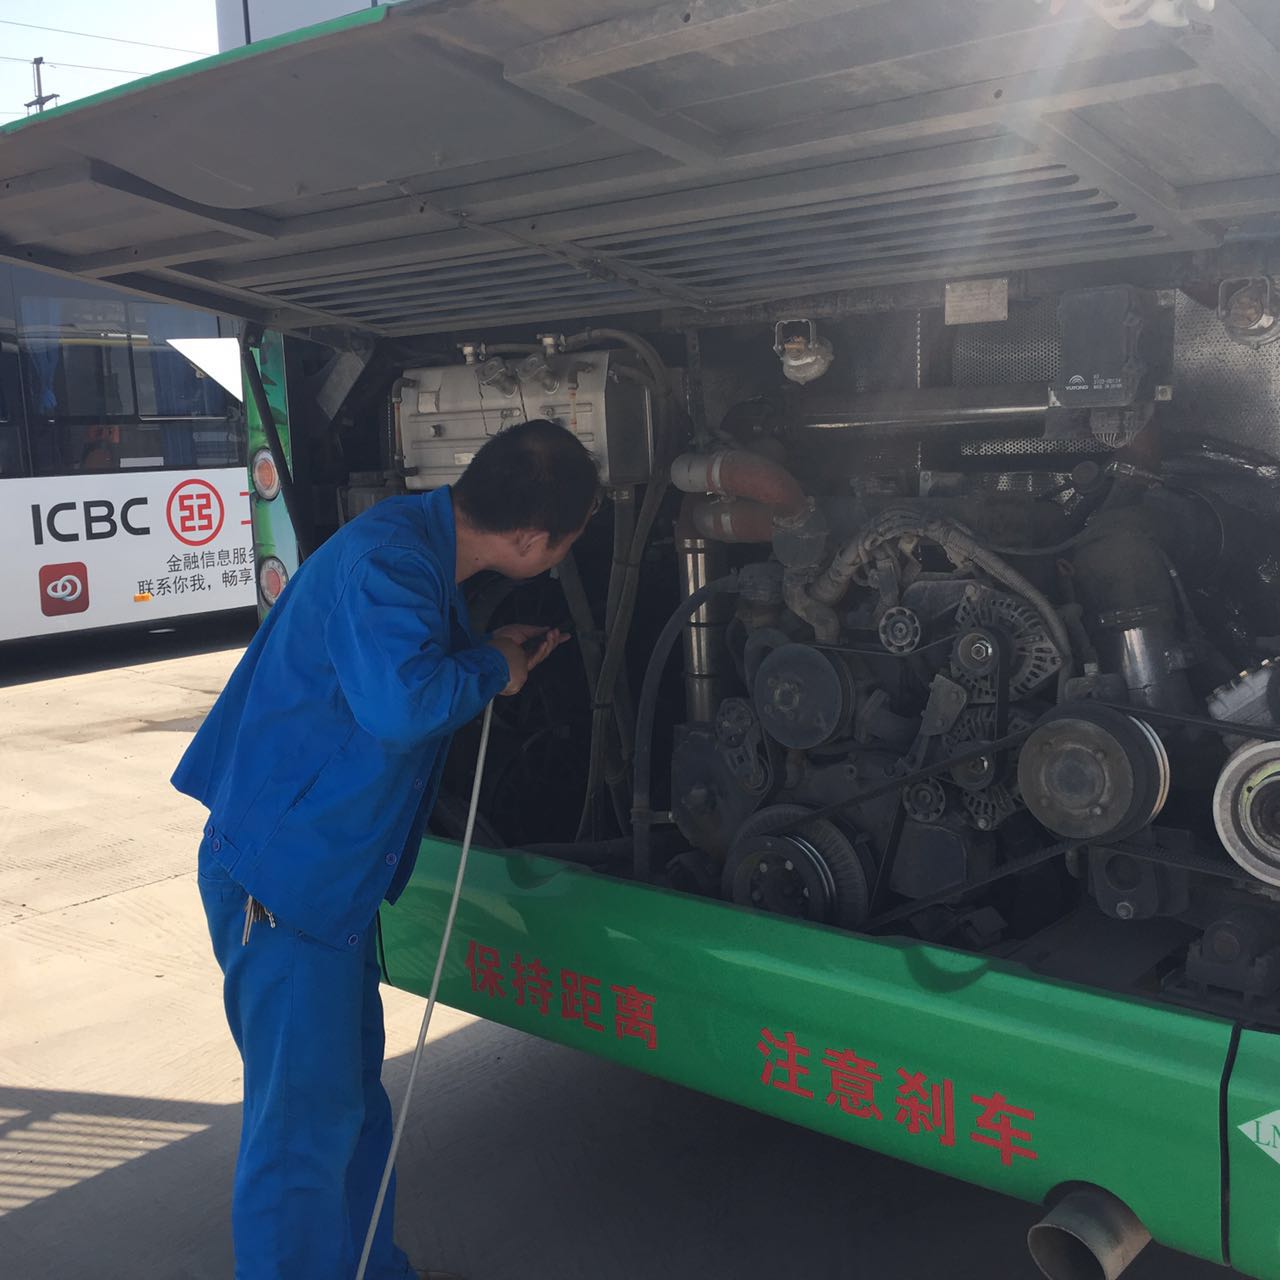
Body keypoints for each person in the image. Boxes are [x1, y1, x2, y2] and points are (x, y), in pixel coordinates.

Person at [173, 418, 600, 1280]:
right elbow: (401, 708)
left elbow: (393, 673)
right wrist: (493, 670)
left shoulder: (415, 544)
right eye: (570, 539)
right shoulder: (393, 564)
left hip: (326, 888)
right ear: (529, 539)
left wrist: (484, 651)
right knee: (301, 1134)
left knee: (350, 1109)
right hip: (284, 890)